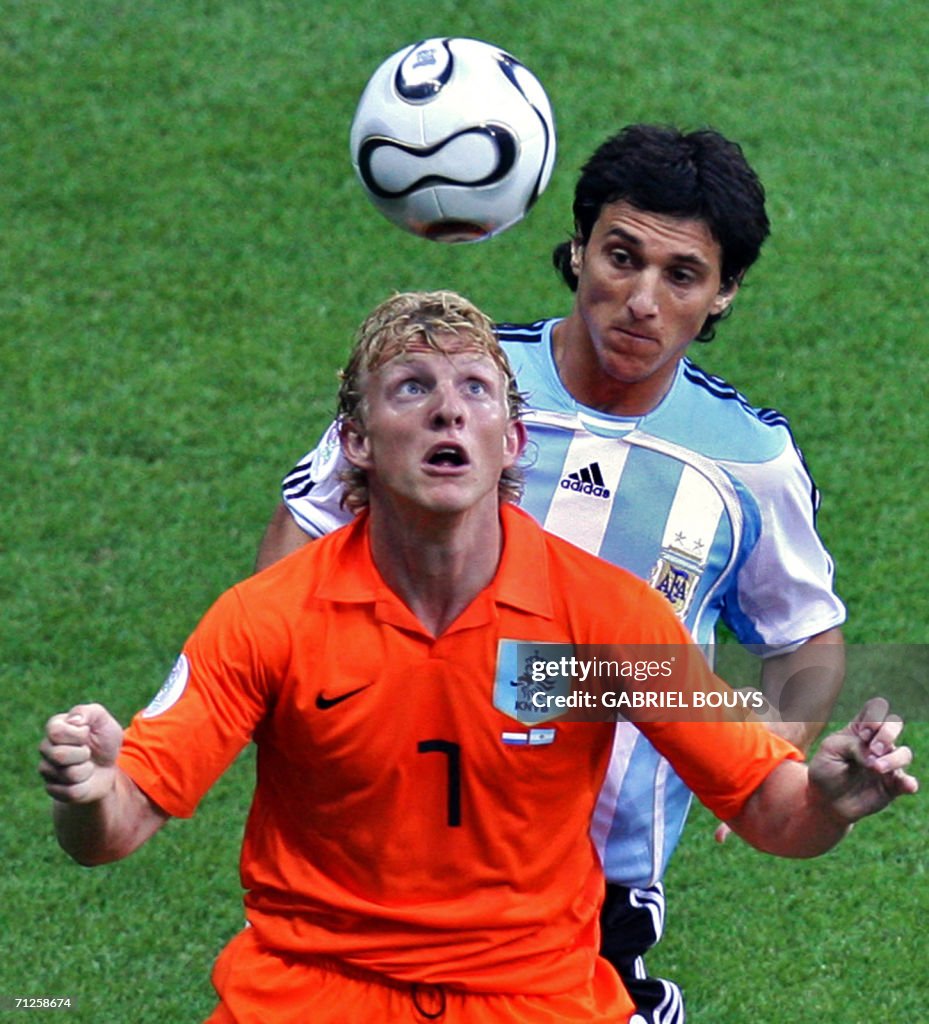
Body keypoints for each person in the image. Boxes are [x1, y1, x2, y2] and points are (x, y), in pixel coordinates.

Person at [40, 290, 915, 1024]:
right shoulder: (266, 619)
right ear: (354, 440)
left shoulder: (604, 622)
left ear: (514, 441)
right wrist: (88, 793)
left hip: (531, 997)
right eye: (411, 388)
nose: (447, 409)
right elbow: (116, 827)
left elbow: (770, 807)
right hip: (311, 996)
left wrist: (831, 799)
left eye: (475, 389)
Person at [254, 125, 848, 1021]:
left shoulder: (748, 463)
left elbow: (804, 635)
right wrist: (294, 702)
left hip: (600, 869)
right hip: (387, 829)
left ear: (721, 295)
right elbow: (304, 532)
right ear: (577, 250)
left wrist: (769, 757)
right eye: (620, 256)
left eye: (680, 276)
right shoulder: (457, 383)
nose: (639, 300)